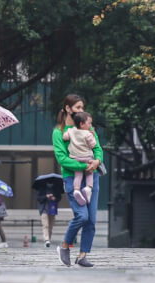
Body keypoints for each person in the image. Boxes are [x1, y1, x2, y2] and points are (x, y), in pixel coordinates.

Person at [53, 95, 103, 268]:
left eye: (82, 108)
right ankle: (65, 246)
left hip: (92, 176)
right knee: (82, 216)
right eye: (78, 108)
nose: (81, 111)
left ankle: (82, 256)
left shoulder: (88, 128)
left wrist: (96, 161)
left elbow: (97, 149)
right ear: (68, 108)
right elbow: (62, 158)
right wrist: (84, 166)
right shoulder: (59, 132)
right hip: (72, 178)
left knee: (91, 220)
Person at [61, 112, 97, 206]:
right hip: (87, 157)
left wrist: (67, 135)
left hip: (75, 158)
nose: (91, 125)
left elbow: (65, 137)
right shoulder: (88, 134)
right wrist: (93, 136)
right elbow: (93, 145)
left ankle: (76, 190)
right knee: (89, 173)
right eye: (89, 123)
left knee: (78, 175)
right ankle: (88, 188)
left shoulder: (71, 130)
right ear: (82, 124)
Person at [36, 178, 61, 247]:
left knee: (50, 226)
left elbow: (59, 197)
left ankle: (48, 239)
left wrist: (55, 198)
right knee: (45, 225)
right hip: (44, 208)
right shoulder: (42, 188)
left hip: (52, 209)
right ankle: (46, 239)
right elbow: (38, 198)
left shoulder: (56, 188)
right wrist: (46, 196)